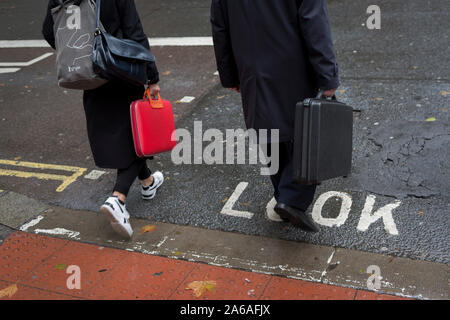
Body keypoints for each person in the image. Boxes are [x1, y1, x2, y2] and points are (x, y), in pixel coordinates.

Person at [211, 0, 340, 232]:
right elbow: (314, 22)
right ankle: (291, 198)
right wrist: (327, 75)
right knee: (308, 129)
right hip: (294, 62)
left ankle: (282, 193)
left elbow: (219, 24)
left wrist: (229, 74)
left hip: (251, 65)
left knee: (267, 128)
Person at [42, 0, 164, 239]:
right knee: (135, 134)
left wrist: (81, 51)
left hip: (88, 70)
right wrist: (152, 77)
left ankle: (148, 182)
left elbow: (49, 30)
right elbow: (134, 32)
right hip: (119, 68)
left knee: (119, 131)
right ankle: (118, 198)